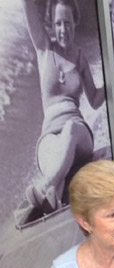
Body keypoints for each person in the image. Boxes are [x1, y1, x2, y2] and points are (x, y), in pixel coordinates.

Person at [22, 0, 105, 213]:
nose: (63, 29)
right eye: (58, 23)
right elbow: (27, 5)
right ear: (51, 24)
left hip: (78, 132)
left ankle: (45, 185)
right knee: (54, 154)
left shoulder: (80, 58)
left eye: (67, 23)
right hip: (49, 135)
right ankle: (53, 198)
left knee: (70, 128)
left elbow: (95, 99)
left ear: (75, 22)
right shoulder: (43, 48)